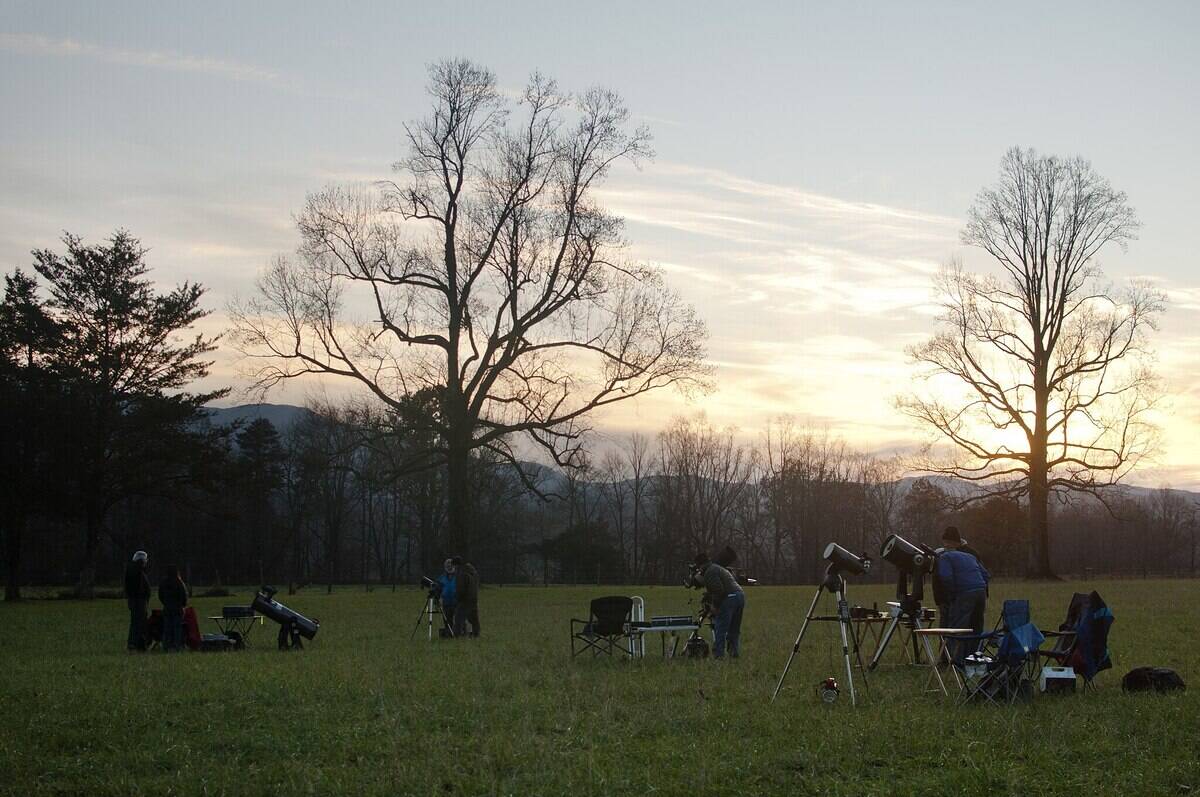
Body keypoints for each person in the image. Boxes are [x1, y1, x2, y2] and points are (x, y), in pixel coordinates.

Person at [935, 533, 990, 664]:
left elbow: (945, 576)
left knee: (957, 628)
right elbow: (986, 575)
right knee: (976, 627)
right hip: (981, 592)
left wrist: (953, 593)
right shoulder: (970, 556)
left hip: (965, 593)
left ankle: (955, 662)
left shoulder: (945, 557)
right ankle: (974, 659)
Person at [691, 549, 745, 659]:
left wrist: (714, 606)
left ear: (700, 566)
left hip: (729, 598)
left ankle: (718, 656)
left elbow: (719, 591)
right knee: (734, 630)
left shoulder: (709, 572)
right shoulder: (717, 568)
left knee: (720, 628)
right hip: (740, 596)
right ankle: (734, 654)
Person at [123, 550, 151, 651]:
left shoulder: (131, 570)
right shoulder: (138, 571)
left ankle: (134, 642)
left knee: (135, 622)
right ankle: (137, 643)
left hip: (134, 600)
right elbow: (140, 588)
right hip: (139, 601)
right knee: (139, 622)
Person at [158, 564, 189, 652]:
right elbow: (184, 595)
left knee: (167, 628)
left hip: (167, 608)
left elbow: (160, 595)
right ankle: (177, 645)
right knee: (177, 628)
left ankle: (166, 646)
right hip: (177, 609)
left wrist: (165, 603)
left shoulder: (163, 582)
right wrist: (183, 605)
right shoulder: (179, 582)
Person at [451, 556, 480, 638]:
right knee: (474, 619)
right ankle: (476, 634)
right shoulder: (473, 572)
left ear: (456, 565)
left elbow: (460, 589)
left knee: (459, 618)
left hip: (464, 600)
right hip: (474, 598)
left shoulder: (461, 574)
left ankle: (457, 636)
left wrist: (457, 598)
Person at [436, 558, 458, 635]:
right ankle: (448, 634)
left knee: (459, 619)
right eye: (447, 565)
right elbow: (437, 590)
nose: (449, 567)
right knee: (447, 620)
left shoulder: (458, 577)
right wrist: (437, 601)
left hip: (457, 602)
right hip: (446, 603)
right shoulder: (441, 578)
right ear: (445, 567)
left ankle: (459, 633)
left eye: (451, 565)